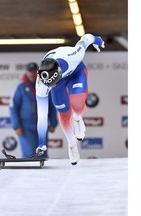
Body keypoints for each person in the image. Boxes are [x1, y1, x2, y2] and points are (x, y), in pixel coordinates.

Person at [35, 33, 105, 165]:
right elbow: (42, 116)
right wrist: (41, 142)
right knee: (64, 114)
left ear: (59, 72)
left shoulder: (73, 55)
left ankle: (78, 118)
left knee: (77, 103)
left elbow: (86, 39)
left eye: (52, 82)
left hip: (75, 72)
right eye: (49, 84)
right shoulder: (41, 85)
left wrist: (97, 40)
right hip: (58, 84)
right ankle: (72, 145)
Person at [9, 62, 58, 158]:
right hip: (26, 127)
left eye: (34, 71)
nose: (32, 74)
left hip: (42, 126)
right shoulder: (20, 88)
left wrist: (53, 123)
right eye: (30, 71)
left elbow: (52, 106)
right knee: (29, 154)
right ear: (26, 72)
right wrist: (16, 126)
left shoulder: (46, 87)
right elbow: (13, 107)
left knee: (42, 154)